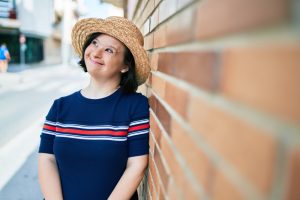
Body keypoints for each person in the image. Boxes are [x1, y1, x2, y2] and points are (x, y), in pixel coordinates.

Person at [38, 16, 151, 200]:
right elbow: (47, 159)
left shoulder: (135, 105)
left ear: (125, 66)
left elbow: (136, 166)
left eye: (109, 50)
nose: (96, 53)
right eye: (95, 43)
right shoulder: (60, 106)